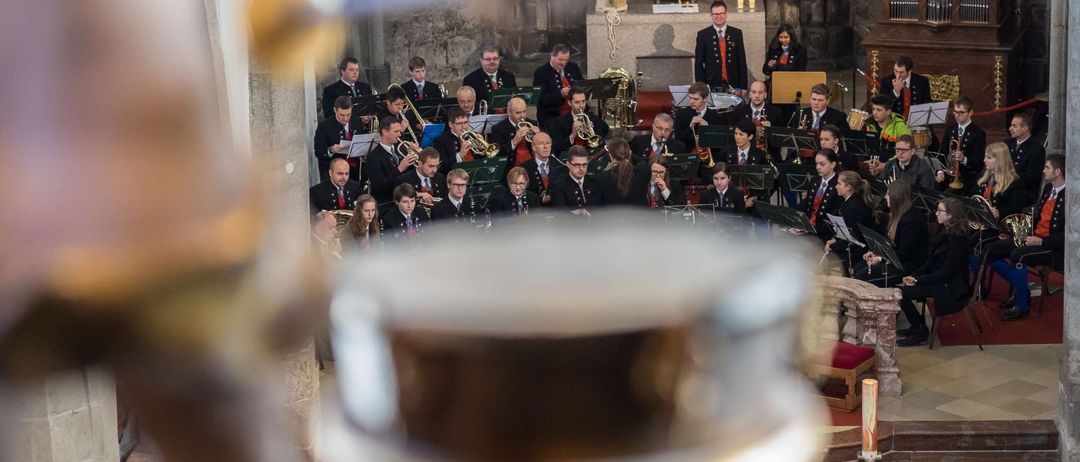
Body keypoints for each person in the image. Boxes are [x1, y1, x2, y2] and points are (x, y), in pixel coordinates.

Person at [985, 154, 1065, 321]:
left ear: (1057, 171)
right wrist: (1015, 233)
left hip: (1051, 246)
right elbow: (1035, 218)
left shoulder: (1070, 196)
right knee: (992, 250)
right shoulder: (1048, 189)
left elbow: (1069, 234)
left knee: (1017, 255)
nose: (1043, 171)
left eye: (1047, 168)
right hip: (1034, 237)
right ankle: (1022, 289)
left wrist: (1042, 241)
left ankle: (1022, 305)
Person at [894, 198, 973, 346]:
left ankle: (920, 330)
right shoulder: (944, 230)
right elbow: (931, 262)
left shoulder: (958, 240)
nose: (936, 213)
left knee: (901, 293)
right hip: (941, 279)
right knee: (901, 290)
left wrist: (920, 280)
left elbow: (947, 272)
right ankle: (918, 326)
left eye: (939, 211)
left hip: (951, 286)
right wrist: (915, 275)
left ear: (949, 215)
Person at [856, 180, 930, 287]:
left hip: (908, 265)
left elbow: (906, 252)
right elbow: (889, 243)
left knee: (862, 277)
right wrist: (876, 252)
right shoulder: (898, 214)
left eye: (888, 194)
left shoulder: (911, 219)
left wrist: (881, 258)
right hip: (896, 260)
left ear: (897, 197)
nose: (885, 197)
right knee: (860, 266)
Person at [824, 171, 876, 273]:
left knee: (826, 262)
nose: (836, 186)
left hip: (860, 249)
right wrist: (834, 240)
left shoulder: (854, 206)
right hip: (852, 245)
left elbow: (853, 237)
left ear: (848, 187)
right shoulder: (849, 202)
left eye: (839, 184)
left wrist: (833, 247)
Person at [694, 1, 748, 90]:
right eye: (715, 14)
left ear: (726, 14)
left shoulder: (736, 33)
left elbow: (741, 61)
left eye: (721, 13)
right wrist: (701, 88)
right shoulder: (703, 35)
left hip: (734, 84)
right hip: (711, 84)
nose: (719, 16)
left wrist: (743, 87)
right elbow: (698, 64)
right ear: (711, 15)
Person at [363, 117, 416, 205]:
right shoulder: (373, 157)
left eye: (400, 131)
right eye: (396, 132)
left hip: (407, 198)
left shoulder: (402, 149)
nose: (400, 135)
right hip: (388, 202)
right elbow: (380, 187)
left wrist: (415, 156)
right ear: (384, 132)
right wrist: (399, 169)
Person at [939, 96, 986, 193]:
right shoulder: (950, 129)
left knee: (947, 194)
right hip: (948, 174)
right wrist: (940, 171)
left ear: (970, 112)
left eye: (961, 112)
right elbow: (942, 153)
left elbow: (979, 162)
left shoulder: (978, 133)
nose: (957, 115)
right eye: (955, 112)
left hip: (966, 177)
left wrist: (964, 159)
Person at [313, 96, 362, 181]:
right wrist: (330, 150)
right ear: (335, 110)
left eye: (348, 114)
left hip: (355, 169)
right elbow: (318, 151)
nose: (345, 118)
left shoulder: (356, 121)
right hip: (334, 171)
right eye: (342, 115)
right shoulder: (324, 126)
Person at [533, 44, 584, 128]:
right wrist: (559, 94)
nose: (563, 63)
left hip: (576, 113)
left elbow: (582, 84)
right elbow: (539, 99)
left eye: (566, 60)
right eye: (560, 59)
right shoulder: (541, 73)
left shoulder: (573, 67)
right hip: (552, 116)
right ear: (552, 56)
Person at [548, 88, 610, 154]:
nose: (581, 105)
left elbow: (603, 135)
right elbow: (556, 147)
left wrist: (592, 130)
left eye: (583, 101)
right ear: (569, 103)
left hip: (590, 156)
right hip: (570, 158)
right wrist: (572, 135)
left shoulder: (594, 119)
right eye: (577, 102)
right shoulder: (559, 122)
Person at [975, 142, 1028, 219]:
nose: (984, 160)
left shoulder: (1015, 182)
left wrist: (999, 212)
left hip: (1000, 226)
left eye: (988, 158)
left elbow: (1016, 210)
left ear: (1000, 160)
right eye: (985, 157)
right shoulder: (983, 177)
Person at [549, 146, 605, 213]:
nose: (581, 168)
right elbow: (560, 214)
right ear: (568, 164)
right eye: (577, 165)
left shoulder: (596, 182)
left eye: (584, 164)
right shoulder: (558, 186)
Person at [489, 97, 541, 169]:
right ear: (509, 112)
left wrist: (540, 138)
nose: (522, 116)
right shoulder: (498, 129)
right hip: (512, 169)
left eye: (524, 111)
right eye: (518, 113)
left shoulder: (533, 123)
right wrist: (514, 142)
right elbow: (496, 155)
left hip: (533, 166)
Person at [798, 149, 840, 236]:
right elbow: (807, 202)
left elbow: (834, 217)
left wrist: (809, 230)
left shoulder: (839, 185)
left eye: (822, 164)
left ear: (833, 164)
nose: (818, 167)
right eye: (816, 164)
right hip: (808, 225)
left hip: (824, 232)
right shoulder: (815, 180)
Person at [870, 135, 935, 190]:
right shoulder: (890, 164)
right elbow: (881, 188)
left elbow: (925, 195)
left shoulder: (924, 169)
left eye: (904, 150)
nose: (900, 153)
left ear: (912, 151)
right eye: (897, 150)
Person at [1005, 112, 1046, 199]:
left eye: (1014, 126)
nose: (1010, 129)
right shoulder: (1006, 143)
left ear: (1025, 128)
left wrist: (1010, 175)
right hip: (1004, 188)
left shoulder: (1036, 149)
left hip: (1023, 192)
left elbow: (1032, 178)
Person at [673, 82, 726, 150]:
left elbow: (719, 144)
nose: (691, 102)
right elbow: (678, 141)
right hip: (688, 155)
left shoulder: (715, 116)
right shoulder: (681, 114)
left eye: (696, 99)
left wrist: (708, 129)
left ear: (705, 99)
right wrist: (690, 127)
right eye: (690, 98)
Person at [878, 56, 932, 120]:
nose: (897, 75)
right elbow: (883, 106)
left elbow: (927, 104)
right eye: (895, 71)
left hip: (917, 121)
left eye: (901, 72)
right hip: (895, 122)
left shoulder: (922, 81)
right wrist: (895, 91)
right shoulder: (886, 81)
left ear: (909, 71)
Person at [519, 132, 562, 206]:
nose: (545, 147)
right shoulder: (523, 169)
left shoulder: (560, 165)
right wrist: (540, 199)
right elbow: (520, 193)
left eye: (548, 143)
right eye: (541, 143)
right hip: (535, 211)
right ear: (533, 147)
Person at [433, 107, 474, 174]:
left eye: (465, 122)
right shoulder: (440, 140)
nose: (463, 126)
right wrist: (460, 155)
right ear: (450, 124)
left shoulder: (472, 136)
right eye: (459, 123)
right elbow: (442, 166)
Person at [597, 138, 637, 205]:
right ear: (630, 153)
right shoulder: (642, 173)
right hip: (640, 215)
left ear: (610, 155)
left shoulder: (601, 178)